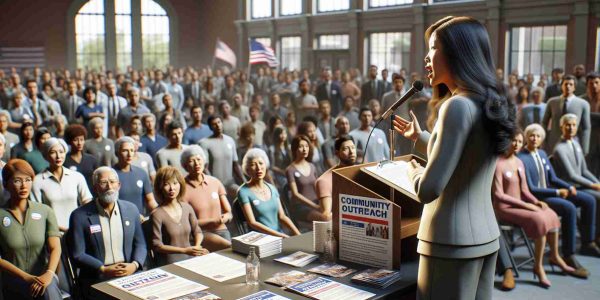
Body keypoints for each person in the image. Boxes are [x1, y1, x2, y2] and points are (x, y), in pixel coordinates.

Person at [392, 16, 516, 298]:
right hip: (484, 237)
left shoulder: (455, 106)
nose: (426, 58)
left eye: (433, 48)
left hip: (448, 241)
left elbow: (429, 189)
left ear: (458, 52)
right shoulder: (488, 100)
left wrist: (409, 170)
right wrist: (421, 138)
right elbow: (469, 157)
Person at [493, 131, 575, 287]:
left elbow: (524, 191)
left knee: (550, 213)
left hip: (521, 205)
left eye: (519, 141)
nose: (516, 144)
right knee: (539, 219)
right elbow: (499, 195)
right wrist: (527, 205)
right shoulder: (498, 164)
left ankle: (555, 256)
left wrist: (536, 202)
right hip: (505, 208)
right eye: (513, 141)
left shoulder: (519, 162)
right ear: (506, 142)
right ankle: (538, 267)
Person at [518, 125, 599, 270]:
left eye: (538, 136)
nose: (534, 139)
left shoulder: (542, 153)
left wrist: (568, 187)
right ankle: (569, 254)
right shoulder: (522, 158)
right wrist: (557, 193)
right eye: (531, 135)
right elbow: (531, 188)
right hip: (538, 197)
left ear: (542, 138)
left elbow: (553, 178)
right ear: (526, 137)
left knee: (589, 200)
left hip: (551, 190)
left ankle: (588, 242)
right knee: (569, 208)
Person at [67, 167, 146, 296]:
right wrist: (103, 269)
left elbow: (141, 244)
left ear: (119, 185)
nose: (109, 186)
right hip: (97, 278)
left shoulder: (131, 209)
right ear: (95, 188)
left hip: (129, 274)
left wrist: (135, 265)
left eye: (113, 182)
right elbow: (77, 254)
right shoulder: (79, 216)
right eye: (104, 182)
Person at [0, 159, 62, 299]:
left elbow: (55, 248)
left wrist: (49, 274)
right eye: (17, 181)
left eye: (28, 180)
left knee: (49, 291)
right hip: (13, 283)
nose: (24, 186)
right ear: (5, 184)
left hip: (44, 279)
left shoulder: (45, 211)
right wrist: (27, 278)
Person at [552, 114, 600, 243]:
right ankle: (589, 241)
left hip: (581, 185)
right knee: (595, 198)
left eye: (574, 125)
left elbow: (584, 170)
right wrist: (593, 186)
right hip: (570, 187)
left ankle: (596, 236)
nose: (571, 128)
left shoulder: (576, 143)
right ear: (561, 126)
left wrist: (597, 183)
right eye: (568, 125)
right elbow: (572, 175)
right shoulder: (559, 149)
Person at [150, 166, 208, 266]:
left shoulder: (187, 208)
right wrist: (185, 251)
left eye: (175, 183)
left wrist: (197, 247)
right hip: (168, 264)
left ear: (180, 184)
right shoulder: (156, 214)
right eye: (166, 184)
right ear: (159, 187)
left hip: (191, 258)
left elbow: (198, 231)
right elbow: (157, 246)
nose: (172, 188)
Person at [32, 138, 92, 232]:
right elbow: (37, 214)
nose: (58, 156)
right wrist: (61, 229)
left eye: (61, 151)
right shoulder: (37, 181)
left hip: (78, 231)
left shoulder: (77, 177)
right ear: (46, 156)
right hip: (52, 233)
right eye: (53, 152)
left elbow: (87, 204)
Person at [238, 149, 300, 238]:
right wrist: (281, 236)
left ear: (265, 165)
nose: (258, 168)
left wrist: (298, 234)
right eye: (253, 165)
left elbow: (282, 216)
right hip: (260, 239)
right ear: (247, 170)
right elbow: (252, 223)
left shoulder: (272, 188)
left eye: (261, 163)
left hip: (279, 235)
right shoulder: (243, 191)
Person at [181, 145, 233, 252]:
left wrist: (226, 217)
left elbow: (229, 212)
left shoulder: (215, 182)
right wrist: (212, 221)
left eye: (199, 159)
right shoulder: (182, 189)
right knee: (231, 248)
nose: (197, 163)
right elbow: (186, 222)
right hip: (201, 234)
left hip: (222, 230)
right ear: (185, 166)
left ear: (204, 161)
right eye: (191, 161)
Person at [542, 75, 591, 155]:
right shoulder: (552, 102)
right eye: (565, 84)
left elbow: (586, 128)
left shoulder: (583, 104)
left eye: (571, 84)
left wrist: (584, 149)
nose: (568, 86)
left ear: (574, 87)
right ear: (562, 86)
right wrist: (544, 143)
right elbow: (544, 122)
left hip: (573, 142)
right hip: (554, 141)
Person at [286, 135, 327, 224]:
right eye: (301, 146)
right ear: (295, 149)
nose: (305, 149)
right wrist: (315, 206)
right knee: (324, 218)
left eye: (306, 146)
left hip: (316, 202)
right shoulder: (290, 169)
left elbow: (318, 187)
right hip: (300, 206)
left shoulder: (312, 166)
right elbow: (295, 194)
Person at [200, 116, 244, 195]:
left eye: (219, 122)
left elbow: (236, 165)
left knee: (242, 194)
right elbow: (204, 168)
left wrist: (244, 182)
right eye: (214, 124)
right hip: (215, 186)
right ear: (210, 127)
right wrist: (212, 185)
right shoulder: (204, 143)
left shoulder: (230, 140)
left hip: (230, 183)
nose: (217, 125)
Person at [114, 136, 157, 216]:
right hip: (118, 220)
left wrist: (160, 211)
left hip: (140, 221)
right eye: (125, 151)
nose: (130, 154)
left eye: (132, 150)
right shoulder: (111, 174)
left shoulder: (141, 173)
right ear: (117, 153)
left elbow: (150, 200)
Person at [315, 136, 356, 221]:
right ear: (337, 153)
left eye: (353, 148)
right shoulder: (324, 181)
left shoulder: (361, 172)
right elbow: (327, 215)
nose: (351, 152)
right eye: (346, 149)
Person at [63, 124, 99, 191]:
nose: (79, 143)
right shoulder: (64, 160)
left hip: (91, 196)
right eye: (75, 140)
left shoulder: (92, 160)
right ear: (69, 141)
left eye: (82, 140)